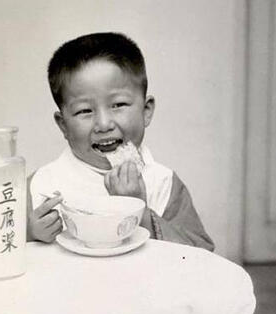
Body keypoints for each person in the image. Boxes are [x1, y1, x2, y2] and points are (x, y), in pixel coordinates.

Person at [28, 32, 214, 251]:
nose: (104, 124)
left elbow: (202, 256)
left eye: (118, 105)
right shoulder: (41, 186)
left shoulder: (163, 184)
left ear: (146, 111)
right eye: (84, 111)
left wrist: (140, 213)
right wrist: (29, 233)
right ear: (63, 125)